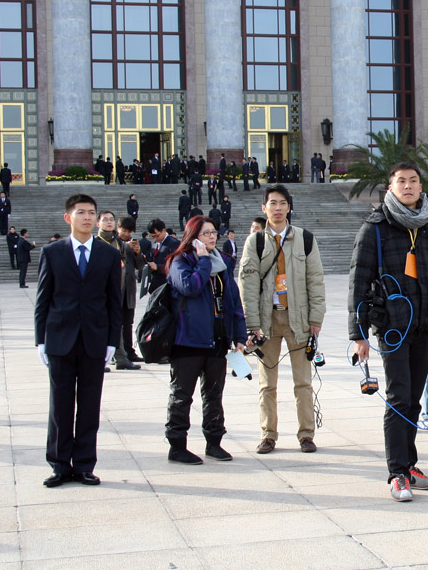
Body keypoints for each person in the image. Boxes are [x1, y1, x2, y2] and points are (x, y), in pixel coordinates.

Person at [348, 162, 428, 501]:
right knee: (398, 398)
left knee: (414, 400)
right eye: (401, 181)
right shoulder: (376, 227)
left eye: (414, 181)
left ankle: (410, 465)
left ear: (421, 187)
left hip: (424, 324)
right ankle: (397, 473)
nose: (408, 186)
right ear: (390, 188)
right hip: (392, 327)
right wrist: (359, 334)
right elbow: (358, 281)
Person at [34, 194, 122, 488]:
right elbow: (43, 300)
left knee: (89, 405)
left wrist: (112, 341)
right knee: (59, 406)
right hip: (60, 339)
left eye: (91, 213)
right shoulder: (52, 252)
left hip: (94, 340)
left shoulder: (108, 254)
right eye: (81, 212)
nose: (87, 217)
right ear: (68, 217)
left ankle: (84, 464)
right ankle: (59, 464)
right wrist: (40, 341)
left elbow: (114, 302)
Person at [239, 184, 326, 455]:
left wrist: (316, 318)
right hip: (267, 322)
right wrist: (252, 323)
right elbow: (248, 283)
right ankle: (268, 434)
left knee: (303, 382)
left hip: (297, 319)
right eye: (272, 203)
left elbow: (316, 281)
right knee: (267, 384)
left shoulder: (305, 238)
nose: (277, 208)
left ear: (289, 207)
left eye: (282, 203)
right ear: (264, 208)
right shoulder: (255, 242)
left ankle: (306, 435)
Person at [164, 215, 247, 464]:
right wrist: (201, 261)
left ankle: (214, 442)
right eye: (206, 233)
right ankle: (177, 446)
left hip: (217, 340)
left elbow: (233, 302)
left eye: (213, 233)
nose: (212, 237)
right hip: (187, 341)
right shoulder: (180, 262)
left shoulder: (222, 264)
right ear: (193, 237)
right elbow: (190, 287)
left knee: (213, 395)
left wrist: (240, 335)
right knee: (182, 396)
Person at [96, 211, 141, 371]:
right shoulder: (95, 242)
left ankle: (121, 358)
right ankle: (100, 359)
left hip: (119, 290)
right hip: (99, 292)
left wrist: (137, 252)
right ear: (98, 223)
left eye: (111, 220)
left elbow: (133, 265)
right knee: (100, 326)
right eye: (105, 220)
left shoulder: (119, 244)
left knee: (118, 324)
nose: (109, 222)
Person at [116, 217, 145, 362]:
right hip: (116, 289)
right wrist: (125, 247)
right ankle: (117, 353)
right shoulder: (112, 243)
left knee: (128, 322)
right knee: (116, 322)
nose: (127, 234)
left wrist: (138, 253)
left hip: (129, 289)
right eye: (124, 230)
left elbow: (139, 266)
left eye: (129, 231)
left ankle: (129, 351)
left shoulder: (132, 244)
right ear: (118, 228)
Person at [146, 219, 180, 293]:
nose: (155, 239)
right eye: (152, 237)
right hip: (156, 286)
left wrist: (157, 267)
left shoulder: (174, 244)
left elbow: (176, 266)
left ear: (163, 231)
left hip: (167, 287)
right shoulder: (156, 244)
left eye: (156, 236)